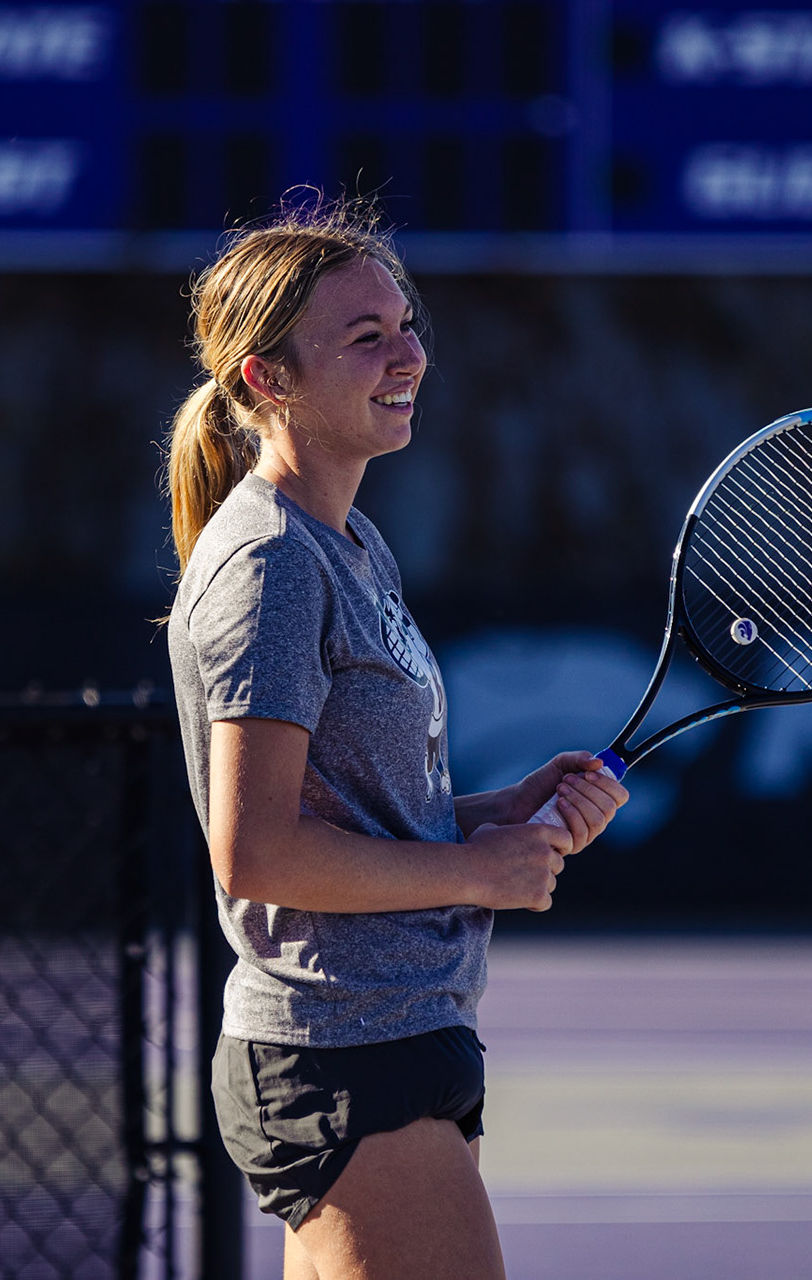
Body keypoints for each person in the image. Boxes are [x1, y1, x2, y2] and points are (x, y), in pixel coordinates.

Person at [164, 200, 629, 1280]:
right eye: (364, 337)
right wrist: (473, 869)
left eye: (406, 323)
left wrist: (493, 813)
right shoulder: (272, 566)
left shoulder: (350, 544)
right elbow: (256, 853)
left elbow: (351, 813)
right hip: (341, 1051)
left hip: (394, 1039)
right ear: (263, 381)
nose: (408, 353)